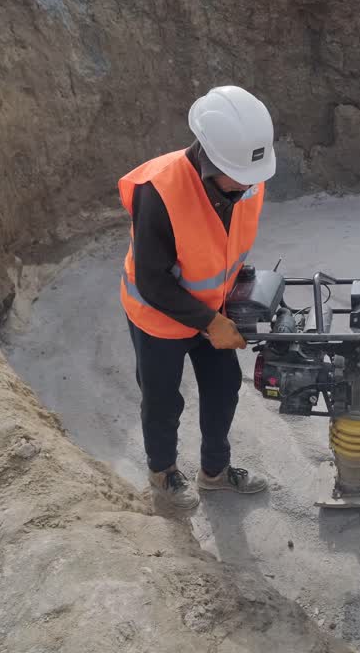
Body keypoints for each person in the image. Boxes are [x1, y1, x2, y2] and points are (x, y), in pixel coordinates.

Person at [117, 85, 274, 510]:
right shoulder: (160, 191)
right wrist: (212, 324)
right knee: (163, 400)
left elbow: (228, 244)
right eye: (239, 176)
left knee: (224, 389)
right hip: (159, 317)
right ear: (209, 158)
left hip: (212, 308)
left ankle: (215, 473)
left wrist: (240, 292)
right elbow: (152, 281)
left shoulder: (248, 181)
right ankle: (163, 475)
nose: (249, 186)